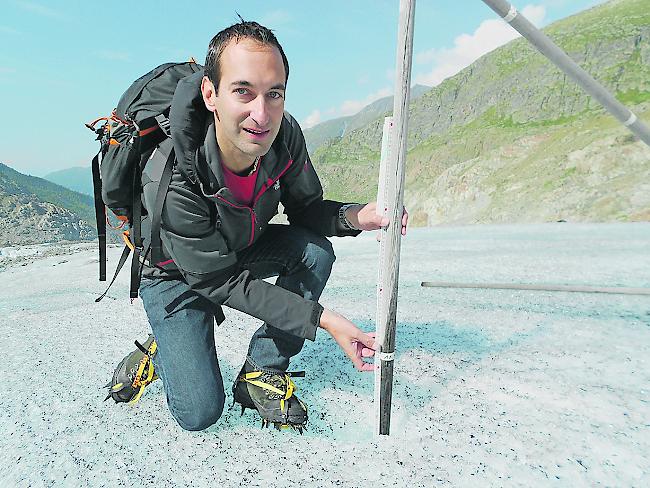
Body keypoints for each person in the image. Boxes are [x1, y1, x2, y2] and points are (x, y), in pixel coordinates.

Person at [115, 19, 408, 432]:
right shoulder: (171, 176)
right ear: (211, 94)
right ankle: (161, 348)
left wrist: (360, 215)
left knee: (314, 252)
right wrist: (323, 318)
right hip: (173, 273)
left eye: (274, 94)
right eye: (243, 92)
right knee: (200, 412)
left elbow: (307, 210)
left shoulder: (283, 137)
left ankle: (261, 371)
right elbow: (221, 281)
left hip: (235, 248)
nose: (261, 113)